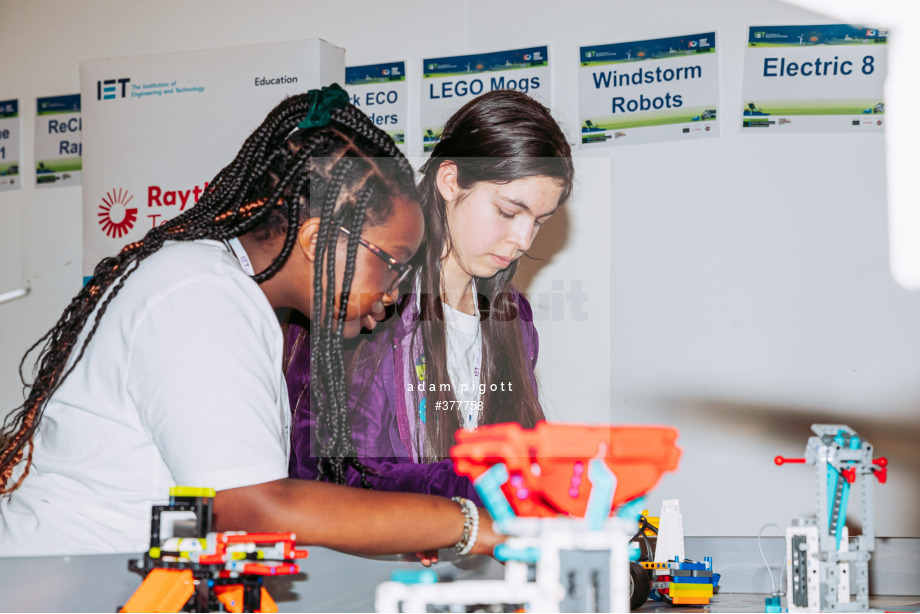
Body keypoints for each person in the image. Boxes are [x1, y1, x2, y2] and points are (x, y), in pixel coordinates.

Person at [0, 85, 498, 559]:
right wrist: (463, 524)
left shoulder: (228, 294)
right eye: (392, 261)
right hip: (57, 585)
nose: (393, 292)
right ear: (315, 240)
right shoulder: (202, 294)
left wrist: (395, 526)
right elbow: (253, 510)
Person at [285, 90, 574, 502]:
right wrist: (472, 488)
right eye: (509, 212)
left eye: (539, 222)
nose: (523, 240)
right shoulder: (366, 304)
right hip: (380, 563)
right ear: (450, 181)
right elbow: (332, 477)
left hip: (488, 561)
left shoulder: (515, 318)